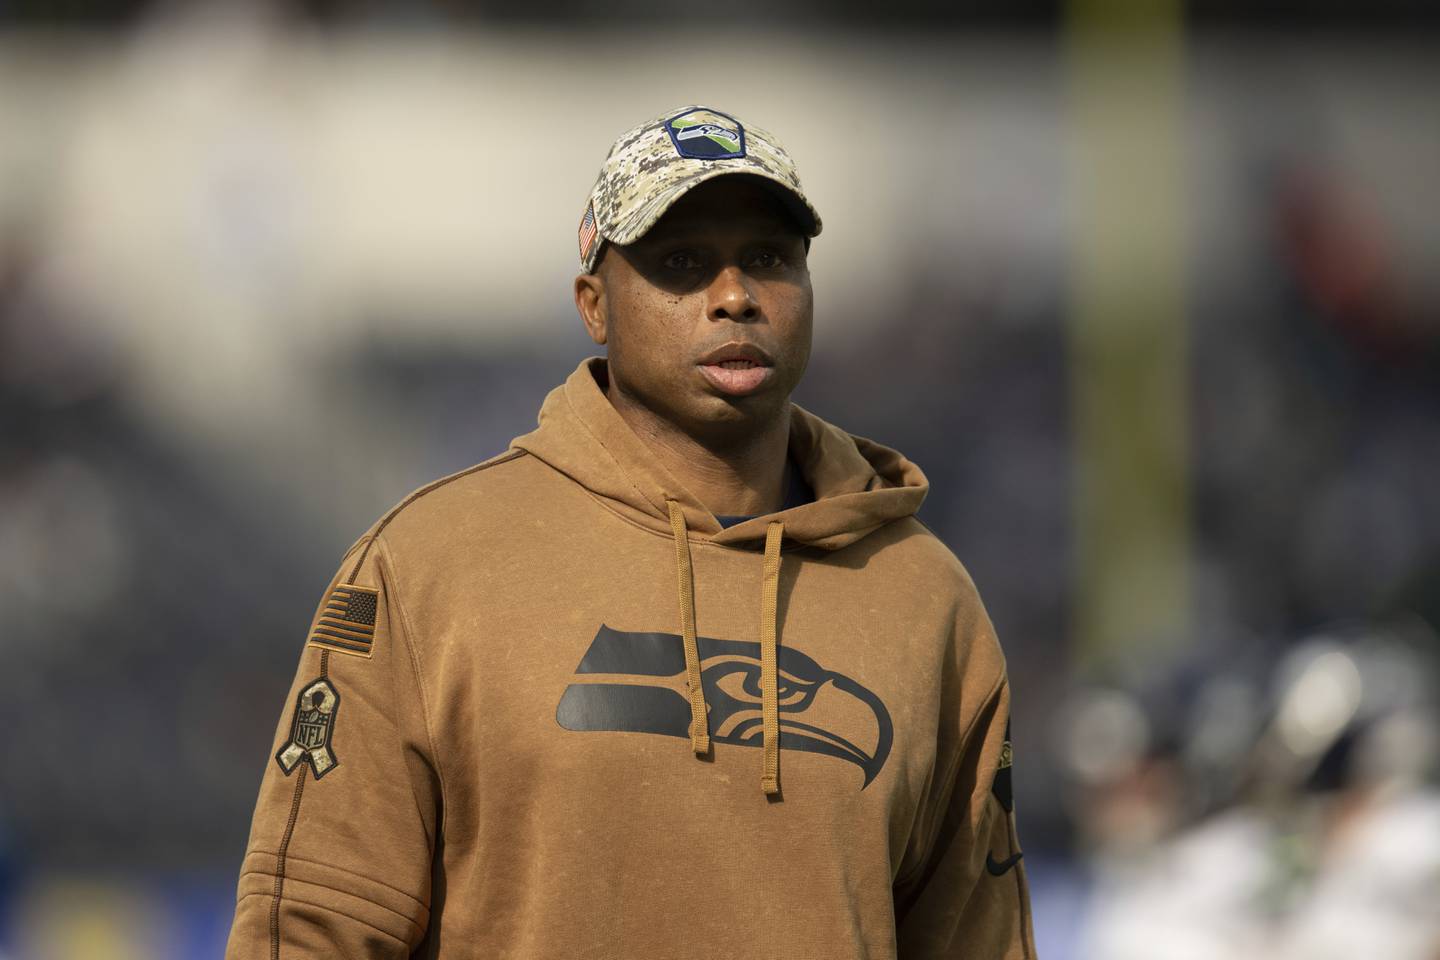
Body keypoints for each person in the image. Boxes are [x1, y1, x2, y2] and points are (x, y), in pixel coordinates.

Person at [225, 104, 1035, 960]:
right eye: (681, 265)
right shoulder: (428, 566)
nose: (735, 298)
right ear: (594, 306)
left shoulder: (925, 596)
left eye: (769, 259)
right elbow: (309, 930)